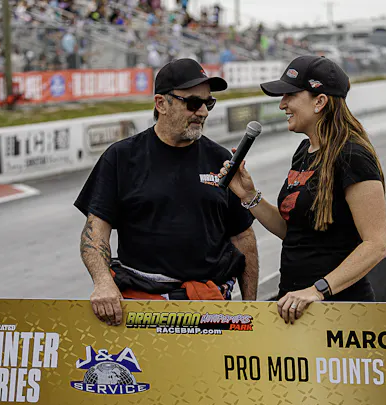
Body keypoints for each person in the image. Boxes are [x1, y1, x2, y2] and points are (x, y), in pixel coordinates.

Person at [75, 58, 259, 325]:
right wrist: (103, 282)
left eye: (208, 103)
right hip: (142, 307)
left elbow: (243, 237)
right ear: (161, 104)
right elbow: (95, 231)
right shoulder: (121, 157)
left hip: (209, 305)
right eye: (193, 103)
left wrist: (251, 307)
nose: (203, 113)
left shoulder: (221, 160)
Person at [219, 55, 386, 324]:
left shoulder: (353, 155)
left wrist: (317, 290)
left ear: (319, 102)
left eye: (290, 95)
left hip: (340, 312)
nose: (282, 104)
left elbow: (377, 245)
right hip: (296, 306)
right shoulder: (304, 151)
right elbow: (295, 233)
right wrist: (249, 196)